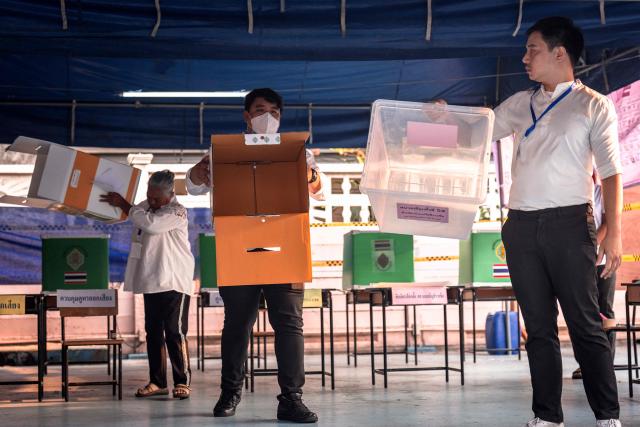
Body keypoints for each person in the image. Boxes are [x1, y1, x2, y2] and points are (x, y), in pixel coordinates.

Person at [492, 17, 623, 427]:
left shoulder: (593, 104)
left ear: (559, 53)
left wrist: (613, 230)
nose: (525, 57)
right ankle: (547, 417)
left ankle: (608, 416)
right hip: (521, 227)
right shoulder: (519, 103)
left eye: (533, 49)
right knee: (539, 327)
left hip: (570, 224)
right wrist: (445, 118)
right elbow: (477, 130)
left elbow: (611, 172)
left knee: (585, 325)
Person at [186, 88, 326, 423]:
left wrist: (310, 174)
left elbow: (319, 191)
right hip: (239, 246)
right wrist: (199, 171)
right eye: (261, 110)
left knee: (290, 324)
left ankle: (291, 399)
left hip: (286, 245)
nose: (269, 117)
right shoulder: (223, 150)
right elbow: (192, 185)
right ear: (247, 116)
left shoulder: (297, 151)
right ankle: (230, 392)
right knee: (237, 324)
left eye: (275, 111)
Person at [101, 170, 195, 400]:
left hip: (174, 281)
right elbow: (139, 213)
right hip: (152, 280)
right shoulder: (147, 206)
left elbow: (150, 224)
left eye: (156, 198)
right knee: (153, 332)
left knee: (175, 332)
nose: (151, 201)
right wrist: (129, 206)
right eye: (149, 196)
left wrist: (125, 204)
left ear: (170, 194)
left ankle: (182, 381)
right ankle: (158, 381)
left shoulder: (177, 212)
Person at [572, 172, 617, 380]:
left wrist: (590, 247)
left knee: (604, 311)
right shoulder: (572, 195)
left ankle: (606, 364)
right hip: (578, 262)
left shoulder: (602, 192)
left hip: (601, 259)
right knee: (581, 311)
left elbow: (608, 223)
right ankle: (585, 365)